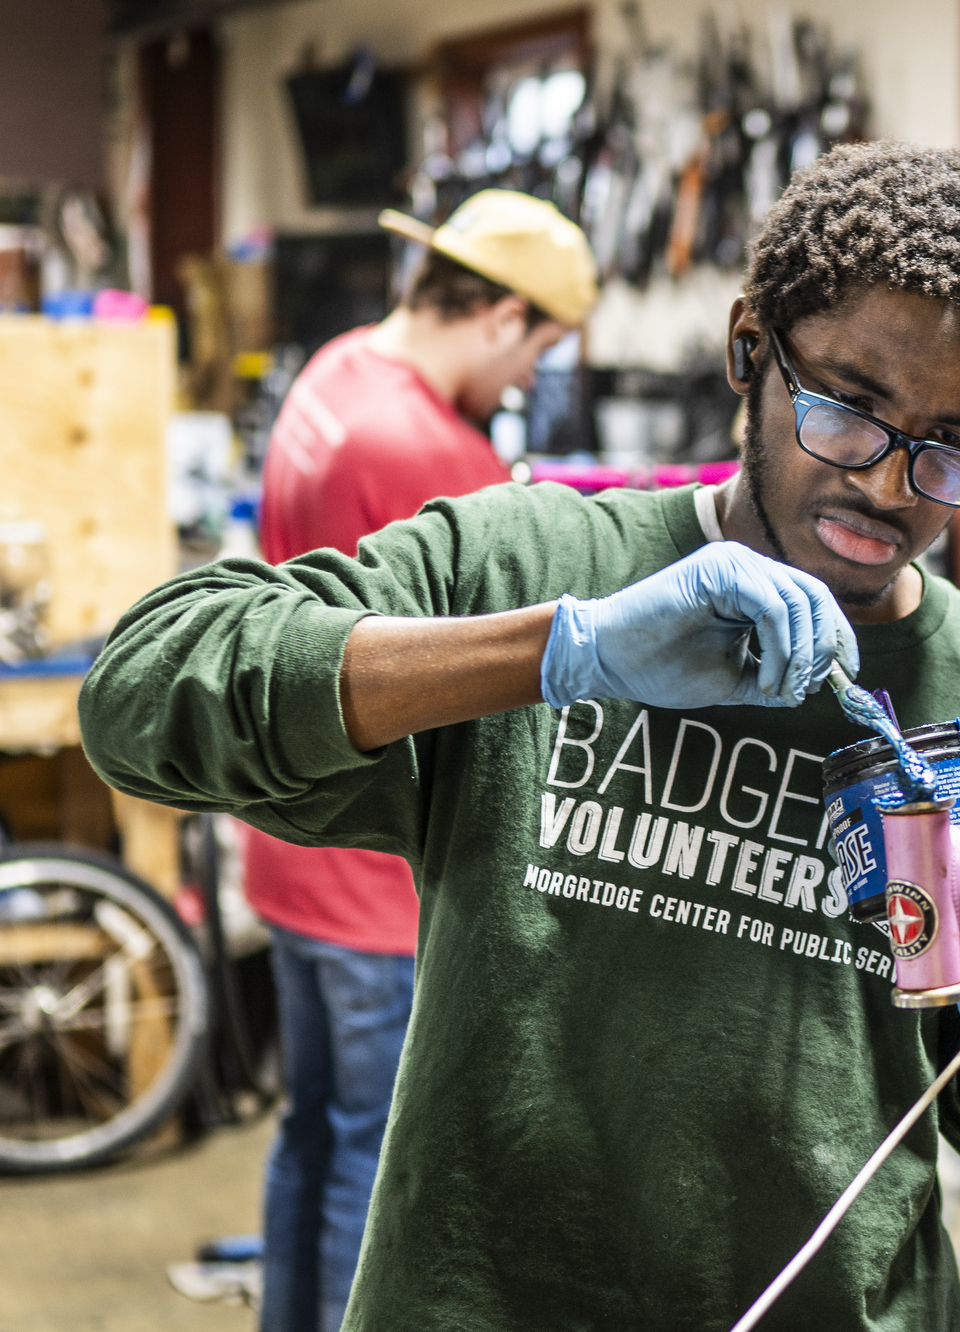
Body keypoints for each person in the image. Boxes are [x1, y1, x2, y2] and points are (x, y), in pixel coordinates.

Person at [81, 143, 960, 1331]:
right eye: (849, 412)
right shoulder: (530, 564)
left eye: (951, 445)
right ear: (750, 351)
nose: (891, 488)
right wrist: (553, 652)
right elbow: (142, 694)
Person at [238, 189, 596, 1332]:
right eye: (537, 347)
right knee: (378, 1165)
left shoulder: (336, 376)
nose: (529, 379)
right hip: (373, 881)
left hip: (288, 842)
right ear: (496, 314)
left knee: (311, 1131)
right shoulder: (433, 449)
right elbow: (512, 659)